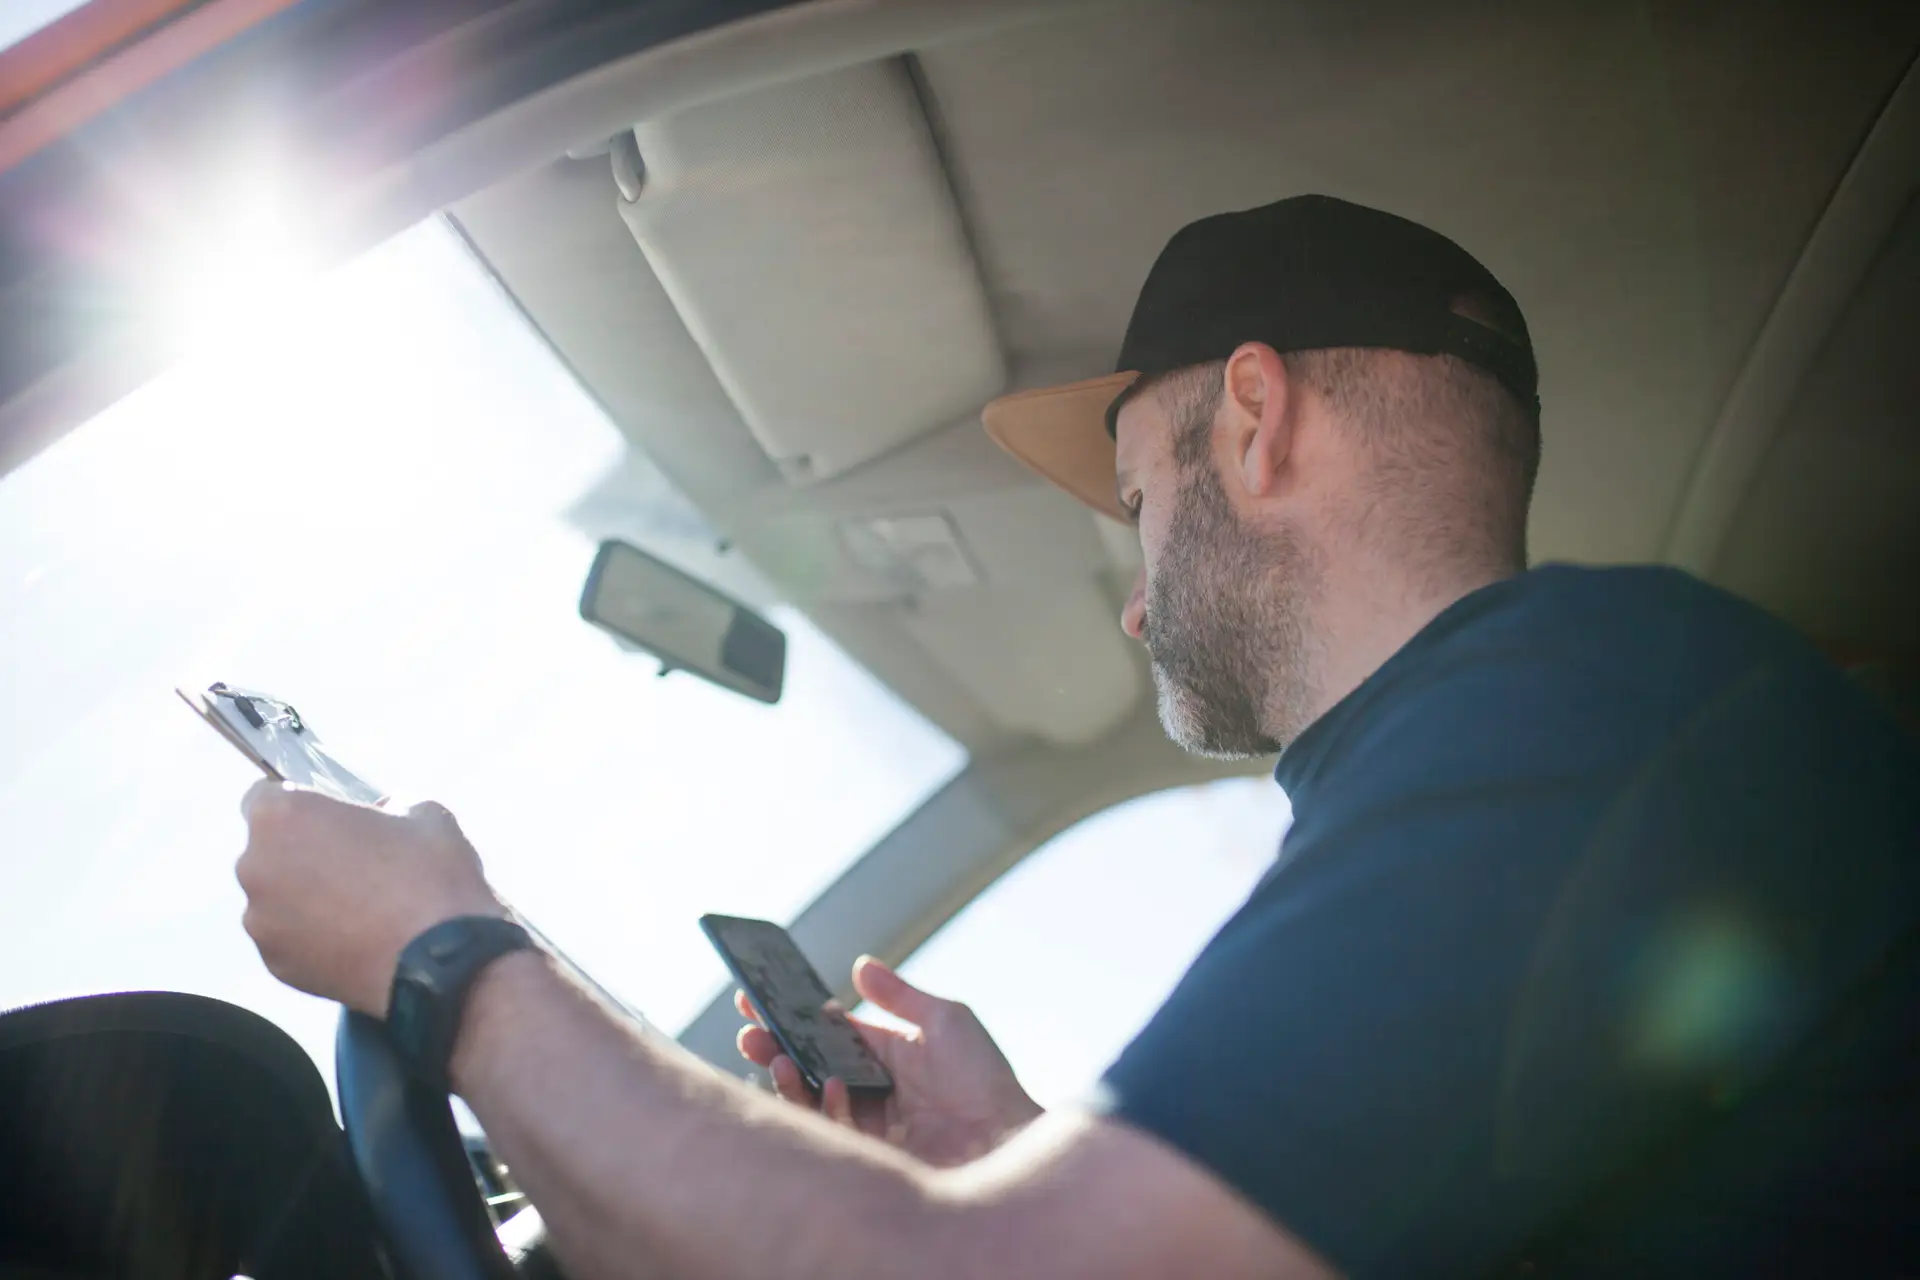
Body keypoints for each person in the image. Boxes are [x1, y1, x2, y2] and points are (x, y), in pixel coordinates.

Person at [234, 195, 1920, 1278]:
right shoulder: (1574, 739)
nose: (1132, 603)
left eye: (1135, 510)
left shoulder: (1584, 714)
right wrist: (1001, 1145)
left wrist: (445, 958)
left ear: (1252, 421)